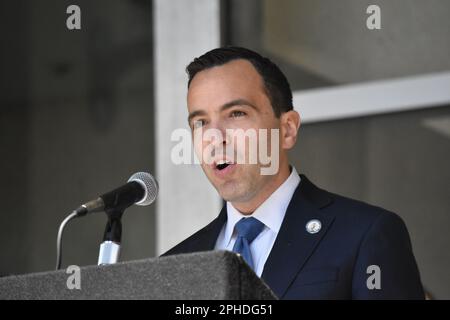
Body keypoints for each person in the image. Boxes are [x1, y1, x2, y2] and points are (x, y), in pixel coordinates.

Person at [163, 46, 424, 299]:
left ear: (287, 129)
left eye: (237, 113)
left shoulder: (366, 234)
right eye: (200, 122)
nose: (214, 137)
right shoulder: (173, 266)